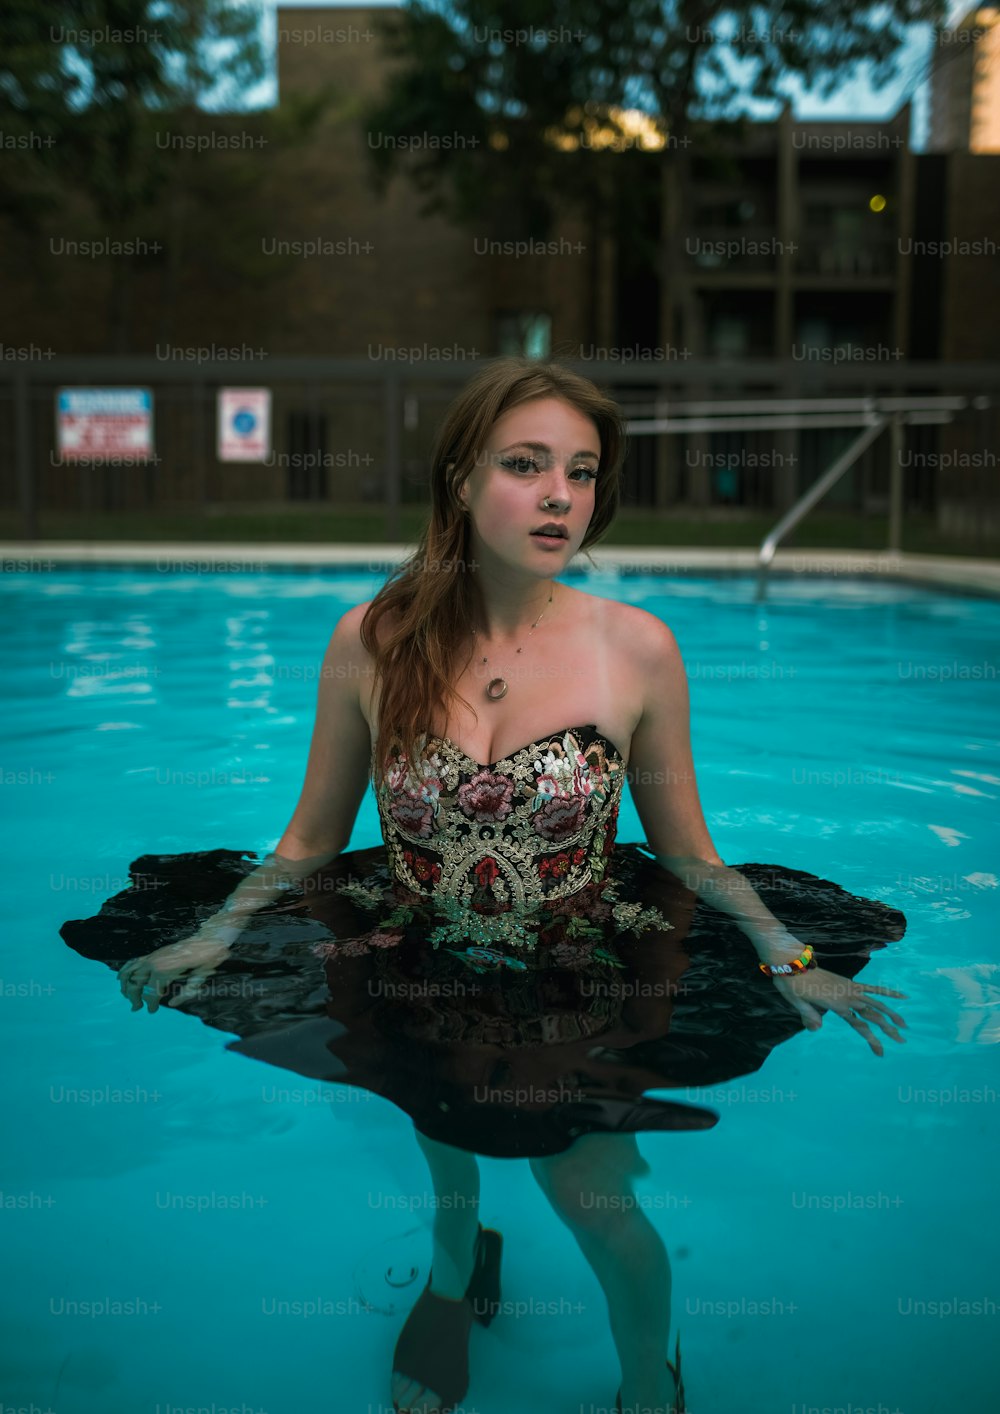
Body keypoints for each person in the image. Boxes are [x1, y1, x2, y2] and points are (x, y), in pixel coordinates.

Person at [70, 356, 908, 1414]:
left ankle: (651, 1380)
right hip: (414, 951)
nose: (562, 494)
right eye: (526, 464)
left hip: (585, 964)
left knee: (591, 1193)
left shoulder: (636, 649)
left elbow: (693, 852)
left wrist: (791, 958)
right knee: (438, 1126)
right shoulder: (371, 640)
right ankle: (456, 1273)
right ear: (462, 480)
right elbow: (309, 838)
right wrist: (215, 935)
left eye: (583, 471)